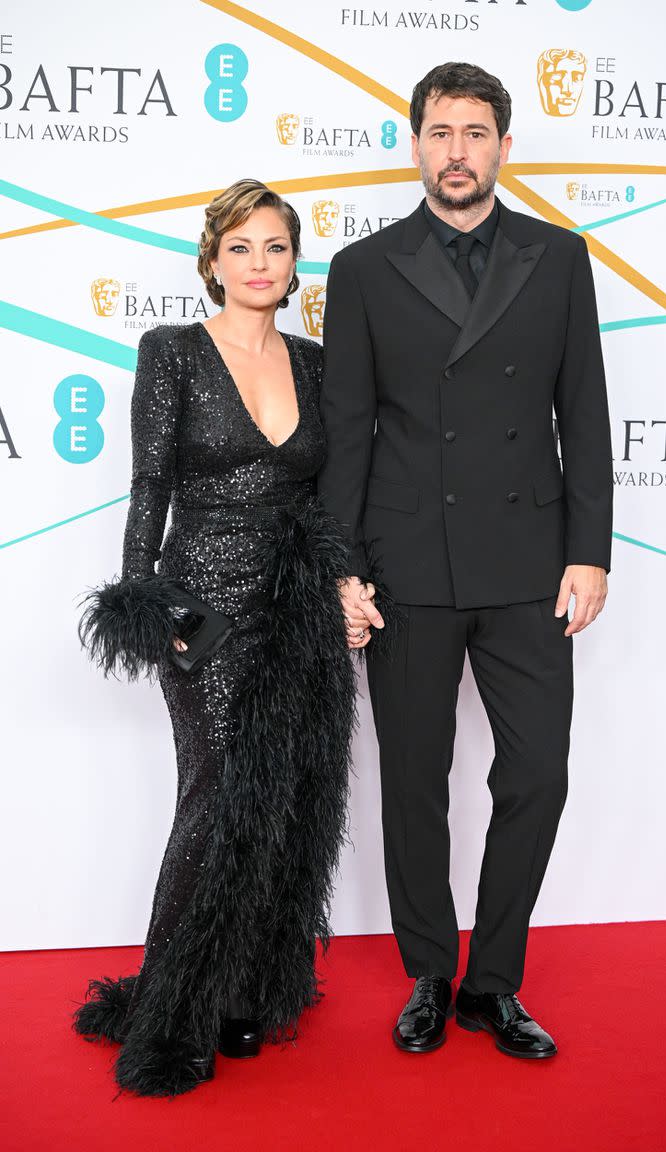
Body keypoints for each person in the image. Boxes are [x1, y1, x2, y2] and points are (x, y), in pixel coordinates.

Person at [318, 63, 613, 1059]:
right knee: (415, 779)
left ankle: (496, 982)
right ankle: (431, 975)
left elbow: (586, 417)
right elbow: (348, 434)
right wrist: (344, 569)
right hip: (406, 567)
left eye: (476, 133)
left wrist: (592, 553)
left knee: (538, 775)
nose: (457, 151)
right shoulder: (362, 270)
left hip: (532, 563)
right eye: (440, 132)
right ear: (416, 144)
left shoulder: (560, 258)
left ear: (504, 146)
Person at [74, 179, 362, 1097]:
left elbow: (330, 494)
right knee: (212, 798)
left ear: (293, 262)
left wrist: (349, 583)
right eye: (240, 248)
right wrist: (147, 603)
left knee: (283, 806)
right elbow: (148, 487)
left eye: (274, 248)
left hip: (298, 608)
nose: (258, 265)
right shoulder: (173, 354)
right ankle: (171, 1015)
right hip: (207, 610)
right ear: (212, 261)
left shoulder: (316, 363)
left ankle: (245, 988)